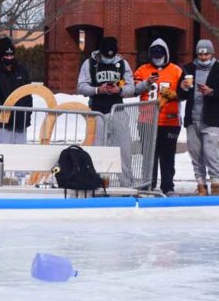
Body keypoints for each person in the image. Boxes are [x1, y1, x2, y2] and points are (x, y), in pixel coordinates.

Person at [77, 36, 138, 186]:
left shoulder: (123, 63)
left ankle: (126, 184)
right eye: (106, 56)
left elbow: (132, 87)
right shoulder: (89, 63)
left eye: (111, 56)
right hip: (97, 112)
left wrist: (120, 89)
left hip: (117, 110)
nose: (109, 59)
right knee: (98, 150)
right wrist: (98, 89)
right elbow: (80, 86)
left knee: (123, 150)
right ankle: (99, 183)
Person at [179, 39, 219, 196]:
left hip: (212, 117)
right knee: (195, 153)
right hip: (193, 118)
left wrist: (212, 92)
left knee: (210, 152)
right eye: (200, 54)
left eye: (206, 53)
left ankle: (215, 182)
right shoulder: (189, 69)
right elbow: (180, 94)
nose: (203, 57)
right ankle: (201, 183)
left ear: (212, 53)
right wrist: (182, 87)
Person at [134, 38, 183, 195]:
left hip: (170, 120)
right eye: (154, 52)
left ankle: (168, 186)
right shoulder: (142, 70)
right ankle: (149, 183)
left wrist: (176, 94)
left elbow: (186, 91)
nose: (157, 55)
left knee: (168, 156)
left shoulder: (176, 71)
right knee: (149, 155)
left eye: (160, 51)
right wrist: (146, 83)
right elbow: (134, 89)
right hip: (147, 119)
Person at [0, 36, 32, 143]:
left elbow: (28, 94)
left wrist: (27, 115)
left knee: (20, 155)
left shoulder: (22, 71)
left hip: (20, 121)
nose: (9, 58)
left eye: (11, 55)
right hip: (3, 123)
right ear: (1, 55)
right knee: (2, 152)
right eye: (6, 55)